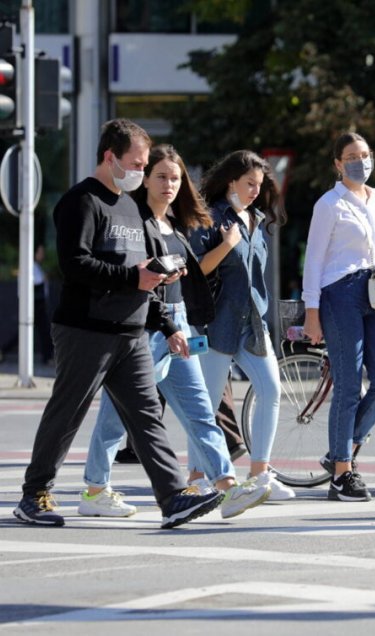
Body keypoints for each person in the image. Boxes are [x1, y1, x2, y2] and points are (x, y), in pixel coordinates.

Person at [13, 118, 223, 528]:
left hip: (132, 330)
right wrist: (135, 278)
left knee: (146, 415)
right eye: (137, 164)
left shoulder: (133, 207)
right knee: (67, 412)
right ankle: (33, 495)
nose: (140, 174)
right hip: (86, 328)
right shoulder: (81, 201)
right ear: (110, 157)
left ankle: (173, 497)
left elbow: (146, 273)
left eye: (145, 166)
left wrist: (167, 324)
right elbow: (75, 265)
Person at [80, 144, 272, 519]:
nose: (169, 184)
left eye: (175, 177)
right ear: (147, 180)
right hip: (144, 327)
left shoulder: (174, 221)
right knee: (116, 415)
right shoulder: (132, 221)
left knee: (201, 409)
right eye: (161, 176)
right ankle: (95, 490)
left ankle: (227, 486)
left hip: (178, 322)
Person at [190, 150, 295, 502]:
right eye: (249, 183)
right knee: (204, 407)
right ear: (231, 181)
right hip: (216, 325)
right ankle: (198, 478)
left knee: (270, 391)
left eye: (259, 185)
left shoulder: (256, 219)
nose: (255, 190)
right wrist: (227, 244)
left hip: (252, 324)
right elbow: (197, 270)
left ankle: (259, 474)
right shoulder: (210, 218)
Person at [302, 132, 375, 502]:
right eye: (352, 156)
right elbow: (313, 260)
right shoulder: (329, 204)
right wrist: (312, 312)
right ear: (338, 164)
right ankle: (342, 473)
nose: (361, 161)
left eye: (365, 154)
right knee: (347, 385)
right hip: (339, 293)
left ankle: (340, 449)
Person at [0, 244, 54, 364]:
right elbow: (35, 283)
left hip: (37, 304)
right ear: (34, 253)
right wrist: (44, 278)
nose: (42, 255)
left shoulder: (37, 267)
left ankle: (47, 357)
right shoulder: (29, 266)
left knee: (42, 331)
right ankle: (4, 350)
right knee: (30, 331)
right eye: (40, 252)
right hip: (33, 304)